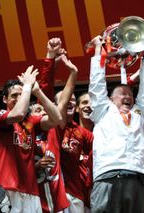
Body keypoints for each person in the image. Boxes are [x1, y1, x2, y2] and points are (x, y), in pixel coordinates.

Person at [88, 35, 144, 213]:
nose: (127, 96)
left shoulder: (140, 114)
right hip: (108, 174)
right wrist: (98, 52)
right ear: (110, 99)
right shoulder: (103, 111)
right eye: (121, 93)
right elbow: (96, 86)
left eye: (130, 94)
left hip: (136, 175)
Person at [0, 65, 62, 212]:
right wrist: (27, 85)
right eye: (14, 95)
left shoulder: (31, 121)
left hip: (32, 191)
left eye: (21, 95)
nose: (18, 98)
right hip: (5, 188)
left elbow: (57, 119)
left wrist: (37, 91)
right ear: (4, 99)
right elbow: (18, 114)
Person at [38, 37, 94, 212]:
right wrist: (51, 59)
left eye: (73, 99)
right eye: (64, 99)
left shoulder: (82, 133)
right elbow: (45, 87)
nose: (69, 101)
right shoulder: (52, 126)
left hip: (77, 196)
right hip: (53, 193)